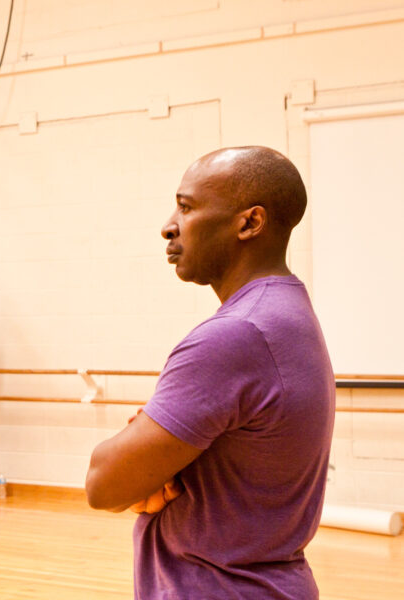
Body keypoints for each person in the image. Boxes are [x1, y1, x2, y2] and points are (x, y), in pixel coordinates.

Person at [85, 147, 335, 599]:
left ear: (249, 223)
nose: (168, 225)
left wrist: (143, 463)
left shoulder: (235, 334)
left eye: (187, 207)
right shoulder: (285, 311)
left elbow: (102, 483)